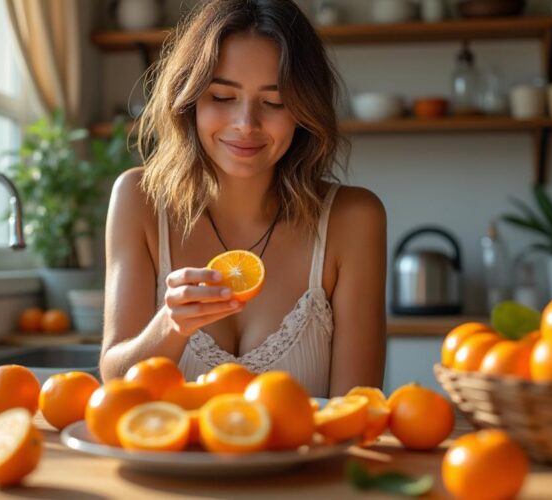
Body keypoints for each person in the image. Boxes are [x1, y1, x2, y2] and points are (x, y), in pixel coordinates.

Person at [100, 0, 386, 397]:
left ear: (304, 111)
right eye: (221, 96)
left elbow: (356, 411)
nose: (246, 125)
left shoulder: (354, 219)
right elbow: (115, 383)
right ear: (190, 100)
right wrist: (171, 324)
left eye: (274, 102)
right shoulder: (139, 200)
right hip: (168, 461)